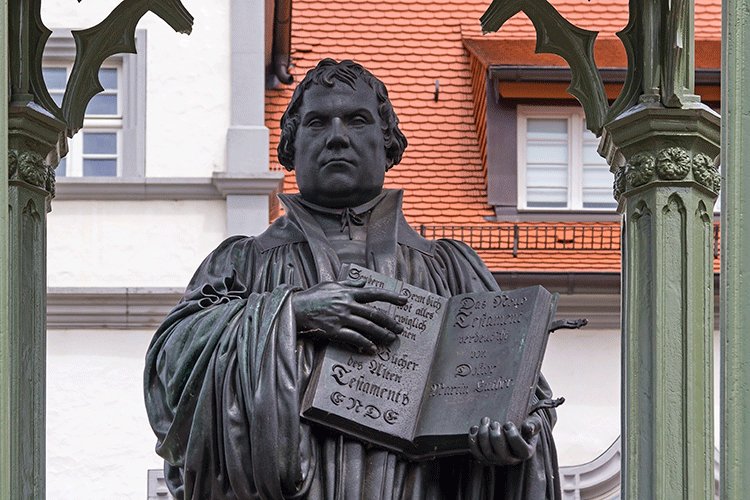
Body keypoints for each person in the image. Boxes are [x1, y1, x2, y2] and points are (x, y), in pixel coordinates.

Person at [144, 58, 561, 500]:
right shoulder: (242, 263)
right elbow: (170, 376)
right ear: (291, 144)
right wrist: (292, 313)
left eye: (357, 120)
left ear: (387, 144)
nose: (337, 136)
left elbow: (524, 399)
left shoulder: (451, 270)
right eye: (317, 122)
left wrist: (512, 442)